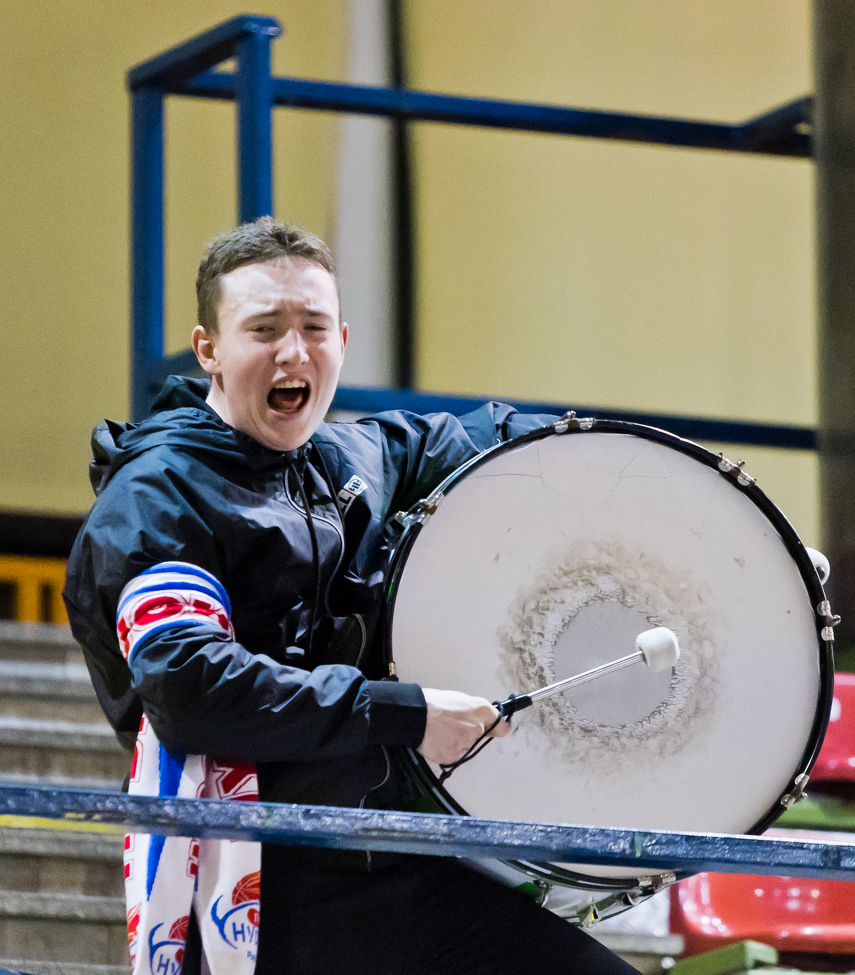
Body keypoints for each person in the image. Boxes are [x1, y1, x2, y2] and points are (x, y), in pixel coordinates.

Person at [64, 217, 637, 975]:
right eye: (263, 328)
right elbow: (190, 687)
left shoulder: (352, 458)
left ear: (341, 339)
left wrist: (658, 488)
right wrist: (406, 714)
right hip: (265, 881)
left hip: (405, 862)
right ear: (208, 350)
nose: (293, 351)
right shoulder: (160, 497)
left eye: (313, 327)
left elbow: (503, 441)